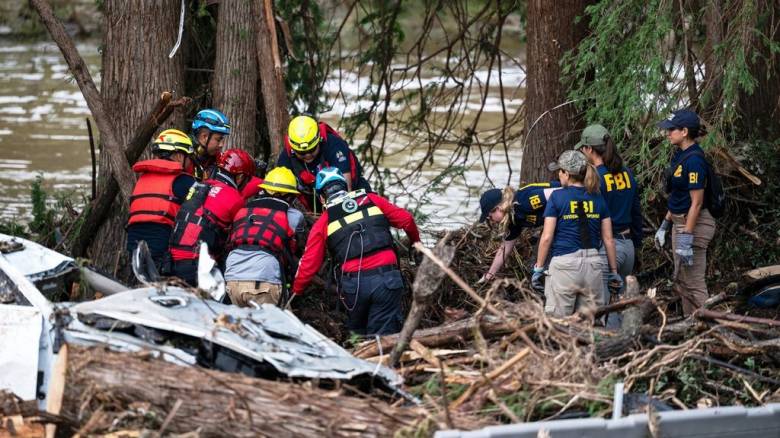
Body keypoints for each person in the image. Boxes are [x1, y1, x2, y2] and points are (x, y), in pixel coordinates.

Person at [292, 167, 420, 335]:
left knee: (358, 334)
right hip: (387, 279)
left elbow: (309, 264)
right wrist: (415, 242)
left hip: (354, 287)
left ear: (322, 198)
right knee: (384, 336)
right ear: (346, 187)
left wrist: (296, 291)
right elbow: (407, 220)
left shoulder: (323, 222)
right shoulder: (371, 199)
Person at [532, 150, 623, 317]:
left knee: (558, 324)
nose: (559, 175)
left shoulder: (557, 197)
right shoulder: (597, 198)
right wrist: (613, 272)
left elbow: (546, 237)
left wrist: (538, 268)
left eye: (560, 171)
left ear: (567, 174)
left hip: (564, 267)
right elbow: (609, 239)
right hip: (593, 267)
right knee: (590, 325)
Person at [575, 124, 642, 324]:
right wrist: (636, 246)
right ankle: (621, 347)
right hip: (627, 245)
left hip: (607, 248)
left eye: (582, 148)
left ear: (589, 149)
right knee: (619, 305)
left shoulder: (595, 179)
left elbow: (591, 220)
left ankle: (603, 349)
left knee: (598, 307)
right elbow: (636, 212)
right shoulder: (627, 174)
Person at [655, 109, 716, 315]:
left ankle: (709, 328)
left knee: (694, 281)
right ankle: (691, 326)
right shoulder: (680, 156)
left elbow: (696, 203)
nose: (667, 133)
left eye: (671, 129)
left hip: (694, 225)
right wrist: (665, 225)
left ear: (684, 131)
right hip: (679, 223)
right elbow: (678, 198)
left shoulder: (695, 160)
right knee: (681, 280)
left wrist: (687, 236)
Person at [168, 148, 254, 286]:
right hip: (199, 267)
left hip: (170, 261)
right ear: (240, 177)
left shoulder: (200, 185)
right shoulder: (235, 198)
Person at [224, 167, 305, 307]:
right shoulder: (294, 216)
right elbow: (301, 245)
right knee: (280, 327)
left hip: (232, 279)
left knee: (243, 327)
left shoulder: (243, 210)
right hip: (263, 281)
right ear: (290, 196)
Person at [126, 129, 197, 267]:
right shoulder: (184, 181)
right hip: (161, 246)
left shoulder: (143, 178)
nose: (189, 162)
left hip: (133, 244)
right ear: (179, 156)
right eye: (188, 157)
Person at [277, 115, 371, 212]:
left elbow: (347, 187)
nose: (308, 155)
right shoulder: (286, 158)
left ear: (319, 140)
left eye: (312, 149)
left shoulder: (334, 145)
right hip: (313, 202)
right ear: (293, 149)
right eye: (302, 153)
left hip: (352, 194)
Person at [477, 181, 561, 284]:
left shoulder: (524, 201)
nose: (491, 221)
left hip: (572, 211)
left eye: (490, 217)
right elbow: (505, 248)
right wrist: (489, 275)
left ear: (498, 209)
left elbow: (560, 193)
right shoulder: (513, 219)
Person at [191, 108, 231, 180]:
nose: (221, 145)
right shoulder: (184, 159)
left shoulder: (219, 161)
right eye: (218, 139)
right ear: (204, 137)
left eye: (222, 140)